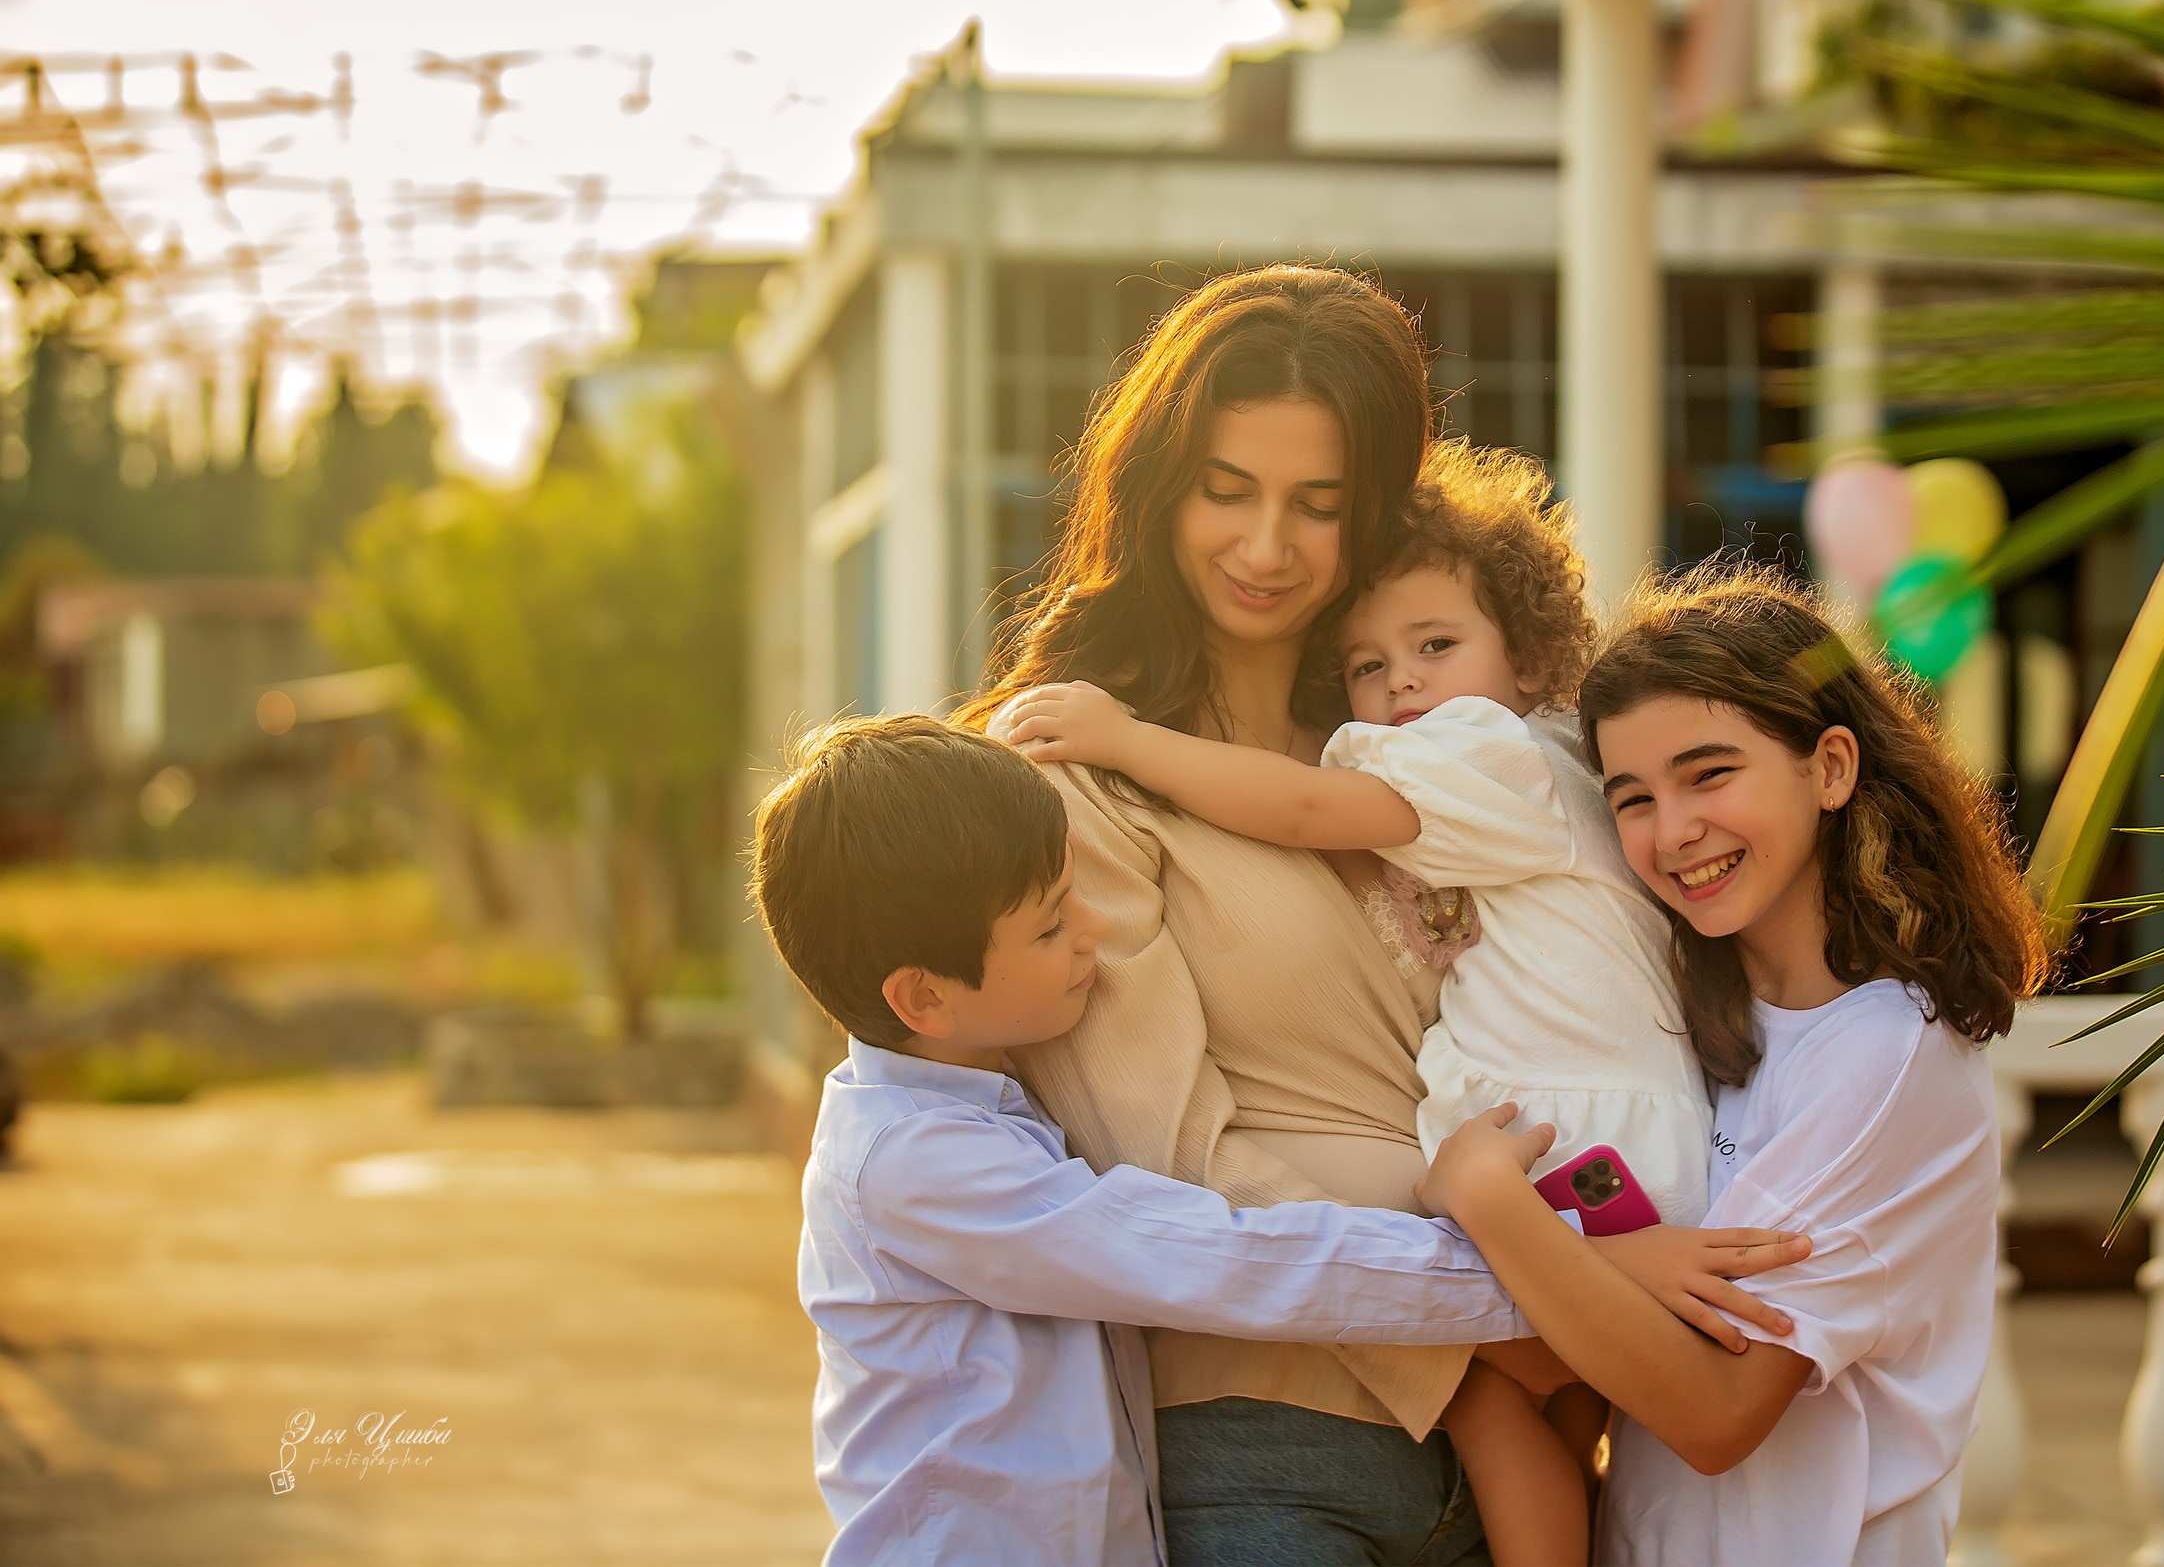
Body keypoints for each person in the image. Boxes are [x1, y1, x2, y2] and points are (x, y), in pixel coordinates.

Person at [963, 266, 1797, 1565]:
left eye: (1317, 504)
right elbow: (1171, 1165)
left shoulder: (1415, 749)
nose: (1264, 547)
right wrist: (1505, 1313)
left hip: (1504, 1448)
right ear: (1157, 485)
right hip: (1271, 1442)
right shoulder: (1082, 778)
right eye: (1224, 489)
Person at [753, 713, 1805, 1565]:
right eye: (1046, 927)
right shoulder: (914, 1167)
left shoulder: (980, 1106)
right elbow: (1226, 1258)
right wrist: (1563, 1278)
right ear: (923, 996)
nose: (1091, 936)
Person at [1415, 562, 2050, 1567]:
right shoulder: (1690, 1018)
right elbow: (1603, 1306)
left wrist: (1489, 1203)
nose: (1672, 832)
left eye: (1709, 775)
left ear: (1830, 767)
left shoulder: (1887, 1059)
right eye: (1630, 797)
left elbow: (1715, 1413)